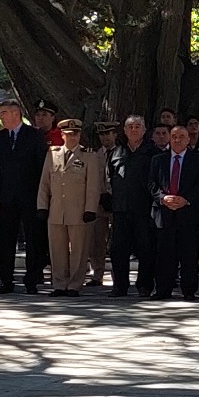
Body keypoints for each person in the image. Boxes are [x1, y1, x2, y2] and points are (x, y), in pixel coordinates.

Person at [37, 120, 104, 297]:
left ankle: (74, 285)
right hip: (56, 211)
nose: (72, 136)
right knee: (57, 250)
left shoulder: (89, 156)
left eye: (75, 133)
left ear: (80, 135)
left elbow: (93, 186)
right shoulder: (52, 154)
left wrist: (90, 209)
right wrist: (42, 206)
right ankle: (59, 284)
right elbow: (44, 183)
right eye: (68, 133)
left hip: (79, 212)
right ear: (62, 135)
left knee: (79, 251)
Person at [0, 99, 51, 294]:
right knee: (5, 240)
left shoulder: (34, 135)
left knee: (34, 239)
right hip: (6, 198)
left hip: (30, 196)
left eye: (4, 113)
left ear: (16, 114)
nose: (1, 116)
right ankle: (6, 281)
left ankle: (31, 279)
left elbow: (42, 167)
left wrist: (43, 197)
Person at [148, 125, 199, 300]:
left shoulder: (198, 160)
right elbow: (151, 184)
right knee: (164, 255)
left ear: (188, 139)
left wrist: (186, 200)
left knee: (189, 255)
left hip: (189, 215)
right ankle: (162, 290)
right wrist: (162, 198)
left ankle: (189, 291)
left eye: (181, 136)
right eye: (174, 136)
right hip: (164, 215)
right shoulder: (158, 160)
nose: (177, 140)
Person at [107, 116, 160, 297]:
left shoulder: (153, 153)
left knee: (145, 248)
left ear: (145, 131)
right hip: (121, 209)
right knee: (118, 249)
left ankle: (144, 285)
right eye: (130, 127)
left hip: (144, 210)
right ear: (124, 130)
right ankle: (120, 285)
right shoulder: (116, 152)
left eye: (138, 127)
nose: (134, 130)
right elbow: (110, 179)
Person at [87, 121, 118, 286]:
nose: (105, 137)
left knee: (117, 242)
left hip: (117, 202)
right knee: (97, 241)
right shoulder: (94, 155)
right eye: (102, 134)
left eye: (108, 133)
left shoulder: (122, 153)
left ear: (115, 135)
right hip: (98, 202)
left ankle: (117, 276)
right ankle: (97, 274)